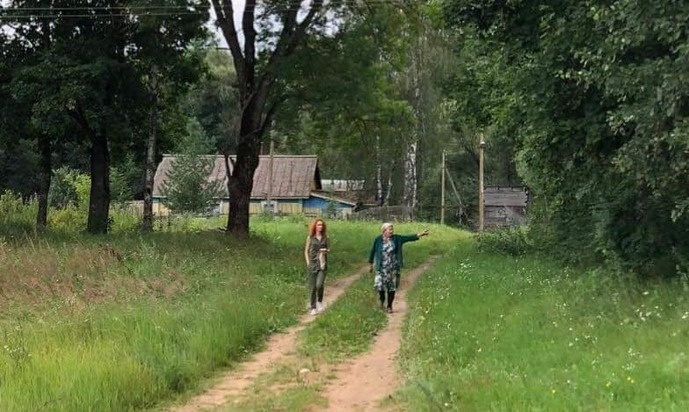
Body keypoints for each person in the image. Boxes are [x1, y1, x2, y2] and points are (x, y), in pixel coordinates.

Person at [368, 223, 429, 314]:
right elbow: (373, 251)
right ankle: (382, 299)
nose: (392, 231)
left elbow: (408, 238)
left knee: (391, 288)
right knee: (379, 286)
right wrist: (371, 264)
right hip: (381, 268)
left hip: (393, 268)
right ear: (384, 231)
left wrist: (420, 234)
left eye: (392, 229)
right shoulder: (378, 240)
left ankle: (389, 306)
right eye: (390, 229)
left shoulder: (397, 238)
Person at [305, 218, 329, 315]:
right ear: (315, 226)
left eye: (322, 225)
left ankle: (319, 301)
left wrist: (325, 251)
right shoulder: (310, 238)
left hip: (322, 264)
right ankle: (313, 307)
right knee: (313, 287)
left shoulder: (325, 237)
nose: (320, 226)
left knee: (320, 285)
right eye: (318, 225)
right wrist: (308, 262)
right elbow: (306, 251)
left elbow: (328, 248)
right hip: (312, 263)